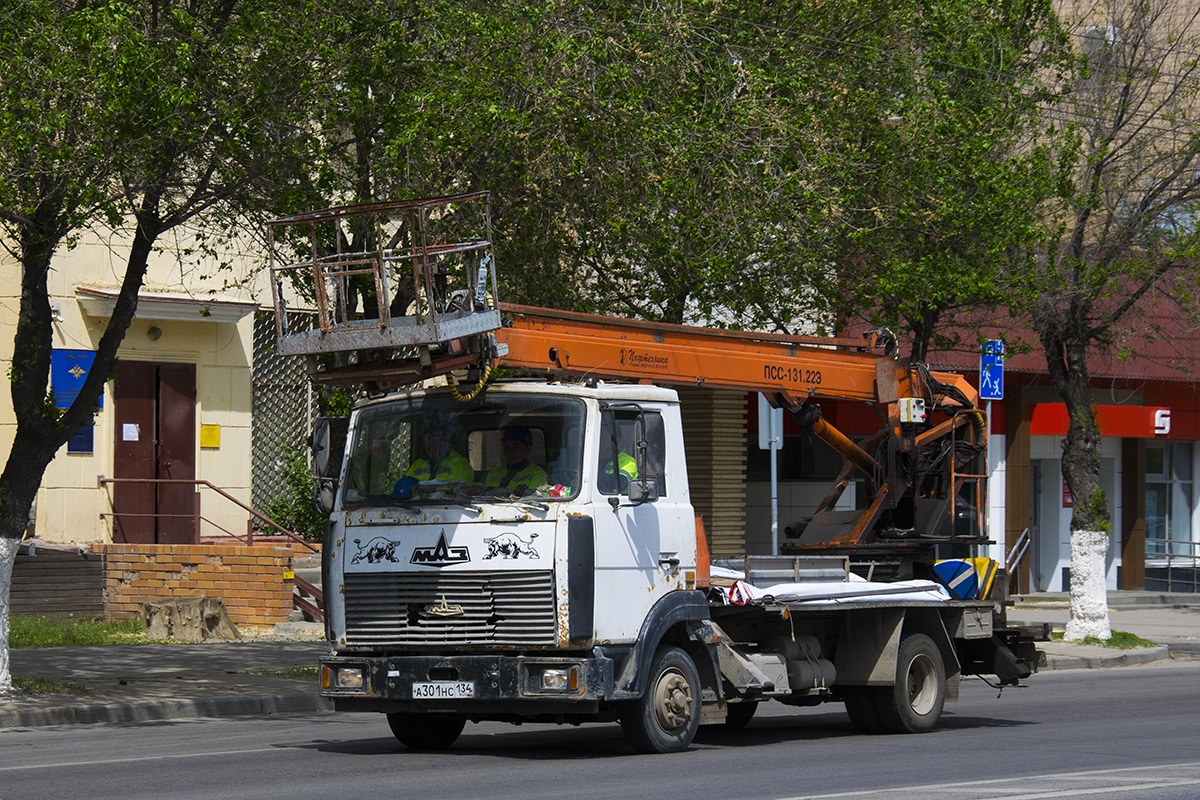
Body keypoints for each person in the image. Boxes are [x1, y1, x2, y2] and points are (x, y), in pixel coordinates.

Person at [394, 417, 473, 497]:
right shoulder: (418, 465)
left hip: (449, 508)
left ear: (448, 443)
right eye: (429, 440)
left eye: (437, 440)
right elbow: (407, 491)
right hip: (415, 507)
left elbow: (460, 495)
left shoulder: (459, 464)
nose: (433, 445)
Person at [485, 424, 548, 494]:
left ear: (527, 450)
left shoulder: (537, 475)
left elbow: (534, 501)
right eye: (506, 447)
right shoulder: (493, 474)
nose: (510, 451)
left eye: (516, 447)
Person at [599, 423, 638, 494]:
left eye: (603, 436)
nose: (599, 440)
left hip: (619, 503)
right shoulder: (589, 460)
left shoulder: (629, 462)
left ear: (616, 440)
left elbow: (618, 482)